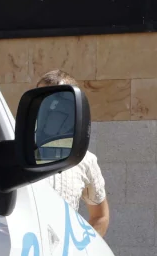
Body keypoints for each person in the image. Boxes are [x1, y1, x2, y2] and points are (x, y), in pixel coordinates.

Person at [36, 70, 109, 237]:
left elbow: (100, 216)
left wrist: (82, 253)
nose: (49, 109)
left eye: (58, 102)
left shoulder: (84, 160)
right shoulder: (15, 152)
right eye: (42, 101)